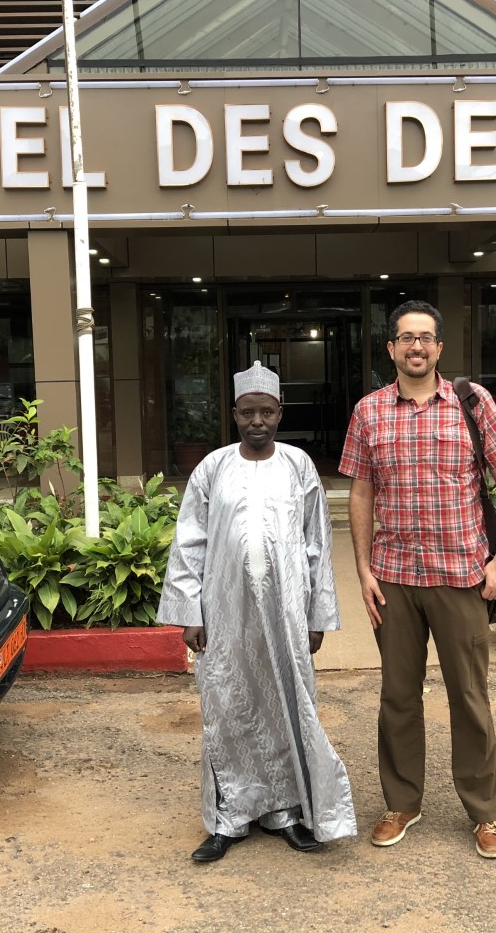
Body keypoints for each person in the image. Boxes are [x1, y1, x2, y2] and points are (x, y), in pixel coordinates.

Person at [338, 300, 496, 860]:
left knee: (469, 696)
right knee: (397, 696)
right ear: (391, 349)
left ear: (439, 348)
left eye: (425, 337)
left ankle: (485, 811)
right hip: (393, 578)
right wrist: (364, 569)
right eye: (405, 338)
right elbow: (362, 492)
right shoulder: (369, 411)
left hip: (461, 575)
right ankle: (401, 802)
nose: (415, 346)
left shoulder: (472, 403)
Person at [158, 361, 357, 863]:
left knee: (287, 701)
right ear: (234, 414)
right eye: (248, 413)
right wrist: (190, 611)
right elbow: (189, 543)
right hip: (224, 614)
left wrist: (316, 614)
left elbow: (317, 544)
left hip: (286, 613)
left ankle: (285, 812)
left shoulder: (299, 466)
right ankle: (230, 817)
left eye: (266, 412)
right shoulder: (213, 467)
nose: (257, 422)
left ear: (280, 413)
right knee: (228, 704)